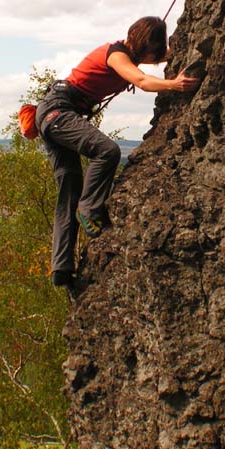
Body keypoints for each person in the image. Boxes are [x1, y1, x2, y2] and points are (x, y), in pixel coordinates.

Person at [35, 16, 200, 299]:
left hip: (53, 116)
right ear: (143, 43)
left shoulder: (130, 53)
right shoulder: (117, 55)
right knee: (107, 151)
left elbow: (157, 59)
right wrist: (175, 84)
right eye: (153, 50)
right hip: (59, 112)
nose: (154, 57)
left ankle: (61, 269)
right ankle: (89, 209)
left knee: (69, 191)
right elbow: (140, 79)